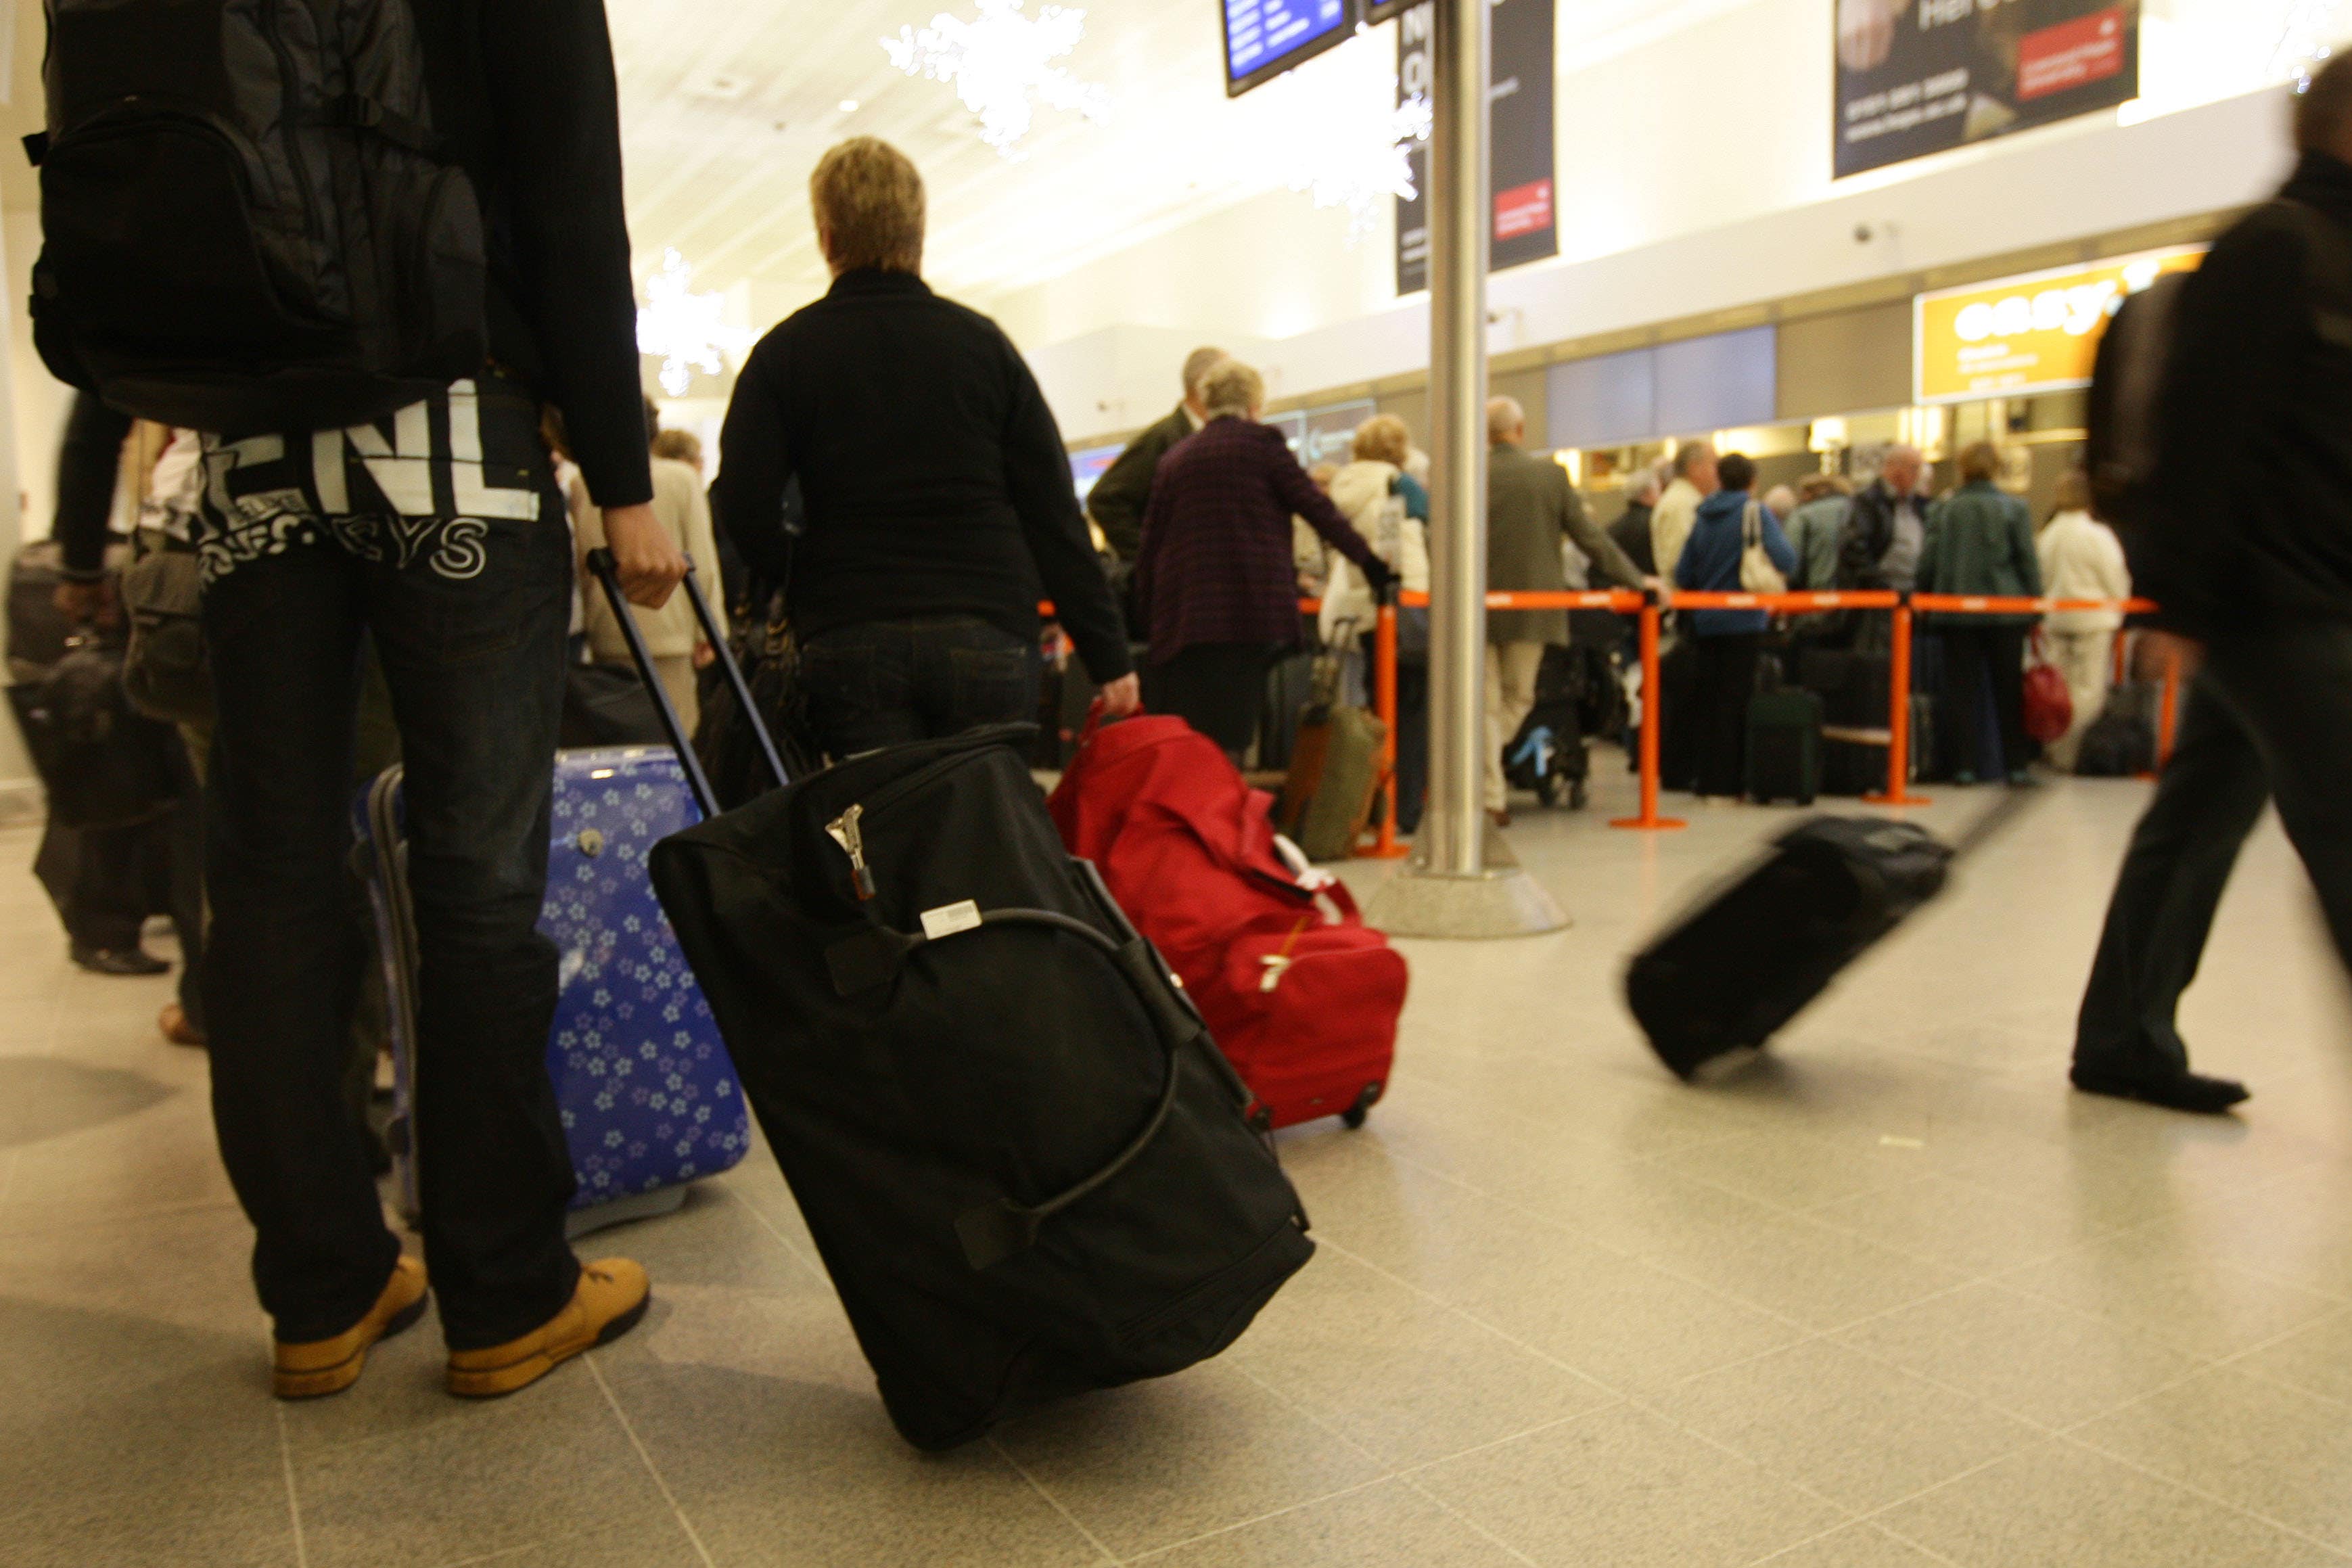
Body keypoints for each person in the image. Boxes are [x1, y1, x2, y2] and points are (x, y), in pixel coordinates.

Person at [49, 0, 676, 1402]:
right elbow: (577, 205)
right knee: (472, 876)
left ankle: (321, 1292)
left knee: (270, 875)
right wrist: (626, 483)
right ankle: (506, 1290)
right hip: (455, 437)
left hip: (254, 457)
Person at [2071, 57, 2352, 1115]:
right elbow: (2204, 437)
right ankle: (2124, 1032)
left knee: (2195, 818)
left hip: (2295, 597)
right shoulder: (2276, 249)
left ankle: (2122, 1035)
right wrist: (2176, 604)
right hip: (2276, 605)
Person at [710, 139, 1137, 758]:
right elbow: (1051, 512)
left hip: (851, 630)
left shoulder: (786, 352)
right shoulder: (983, 347)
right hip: (986, 623)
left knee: (876, 830)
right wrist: (1107, 653)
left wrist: (813, 570)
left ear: (827, 238)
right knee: (982, 827)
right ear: (919, 233)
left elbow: (744, 506)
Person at [1134, 360, 1393, 760]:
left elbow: (1151, 544)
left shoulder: (1176, 458)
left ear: (1205, 403)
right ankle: (1231, 810)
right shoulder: (1263, 447)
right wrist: (1372, 565)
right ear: (1256, 402)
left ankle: (1202, 809)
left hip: (1187, 621)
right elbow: (1318, 511)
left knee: (1197, 734)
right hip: (1249, 613)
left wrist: (1145, 614)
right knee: (1236, 732)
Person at [1485, 396, 1644, 824]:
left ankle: (1482, 789)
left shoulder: (1469, 475)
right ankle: (1482, 787)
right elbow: (1592, 539)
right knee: (1518, 697)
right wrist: (1638, 581)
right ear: (1520, 430)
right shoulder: (1549, 476)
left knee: (1481, 706)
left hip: (1473, 612)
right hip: (1532, 611)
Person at [574, 400, 727, 733]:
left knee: (618, 736)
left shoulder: (584, 482)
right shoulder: (681, 478)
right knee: (678, 739)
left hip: (607, 626)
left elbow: (584, 562)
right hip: (671, 626)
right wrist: (710, 629)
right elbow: (700, 559)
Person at [1320, 415, 1429, 829]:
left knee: (1378, 707)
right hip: (1408, 603)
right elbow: (1419, 533)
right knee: (1414, 711)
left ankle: (1371, 804)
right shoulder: (1399, 484)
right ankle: (1406, 809)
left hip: (1367, 609)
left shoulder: (1342, 488)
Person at [1917, 442, 2042, 784]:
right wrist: (2037, 606)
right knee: (2008, 689)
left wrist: (1922, 596)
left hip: (1955, 613)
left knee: (1960, 692)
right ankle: (2016, 766)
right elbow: (2027, 561)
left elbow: (1928, 559)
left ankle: (1964, 767)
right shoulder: (2015, 508)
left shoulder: (1945, 509)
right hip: (2007, 612)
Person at [1673, 453, 1796, 799]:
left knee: (1708, 701)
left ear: (1720, 479)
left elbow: (1685, 573)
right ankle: (1732, 780)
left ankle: (1707, 778)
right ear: (1752, 481)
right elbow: (1787, 558)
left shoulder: (1702, 516)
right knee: (1737, 700)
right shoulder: (1755, 512)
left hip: (1706, 620)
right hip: (1744, 621)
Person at [1084, 347, 1230, 562]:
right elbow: (1104, 499)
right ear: (1203, 384)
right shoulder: (1163, 439)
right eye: (1230, 383)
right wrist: (1153, 556)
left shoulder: (1204, 437)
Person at [2037, 470, 2133, 771]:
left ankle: (2054, 749)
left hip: (2055, 619)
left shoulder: (2046, 536)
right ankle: (2071, 752)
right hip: (2093, 621)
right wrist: (2121, 608)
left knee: (2059, 690)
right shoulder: (2098, 535)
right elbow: (2116, 578)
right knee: (2090, 690)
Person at [1837, 444, 1930, 592]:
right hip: (1877, 597)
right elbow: (1855, 548)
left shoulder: (1920, 505)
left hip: (1913, 594)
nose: (1918, 476)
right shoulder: (1867, 503)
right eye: (1915, 469)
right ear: (1896, 469)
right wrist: (1880, 586)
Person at [1651, 440, 1718, 589]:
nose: (1718, 472)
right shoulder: (1681, 504)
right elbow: (1678, 561)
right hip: (1685, 600)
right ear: (1695, 468)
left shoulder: (1688, 500)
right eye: (1714, 464)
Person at [1782, 472, 1853, 592]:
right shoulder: (1859, 509)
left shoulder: (1803, 515)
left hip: (1818, 594)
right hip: (1861, 597)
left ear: (1808, 493)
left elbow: (1792, 560)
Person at [1609, 468, 1663, 579]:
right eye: (1659, 490)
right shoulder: (1655, 523)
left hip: (1622, 587)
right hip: (1652, 587)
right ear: (1648, 493)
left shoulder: (1614, 527)